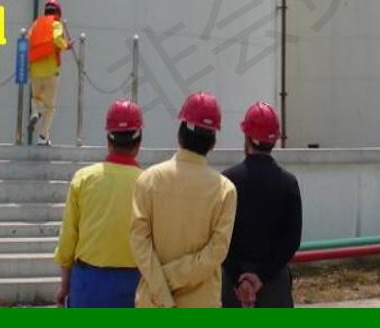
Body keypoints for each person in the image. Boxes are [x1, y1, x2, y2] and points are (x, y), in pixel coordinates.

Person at [130, 92, 237, 308]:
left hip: (153, 301)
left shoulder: (149, 180)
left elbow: (139, 241)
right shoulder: (225, 190)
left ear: (180, 135)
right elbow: (217, 251)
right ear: (213, 143)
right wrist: (172, 277)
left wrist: (162, 286)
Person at [53, 100, 144, 307]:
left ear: (108, 140)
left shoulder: (84, 179)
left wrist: (64, 285)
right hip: (132, 285)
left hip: (87, 284)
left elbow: (68, 239)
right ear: (138, 143)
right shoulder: (148, 184)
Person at [221, 102, 302, 308]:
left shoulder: (227, 181)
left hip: (233, 285)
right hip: (274, 284)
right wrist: (261, 277)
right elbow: (292, 240)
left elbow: (219, 238)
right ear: (274, 140)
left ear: (247, 136)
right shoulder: (288, 183)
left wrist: (239, 278)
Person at [27, 0, 71, 146]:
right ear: (58, 12)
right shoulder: (56, 24)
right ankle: (43, 137)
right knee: (49, 107)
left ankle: (34, 113)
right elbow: (57, 39)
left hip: (35, 70)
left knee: (36, 98)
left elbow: (29, 39)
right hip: (51, 71)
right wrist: (66, 45)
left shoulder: (36, 24)